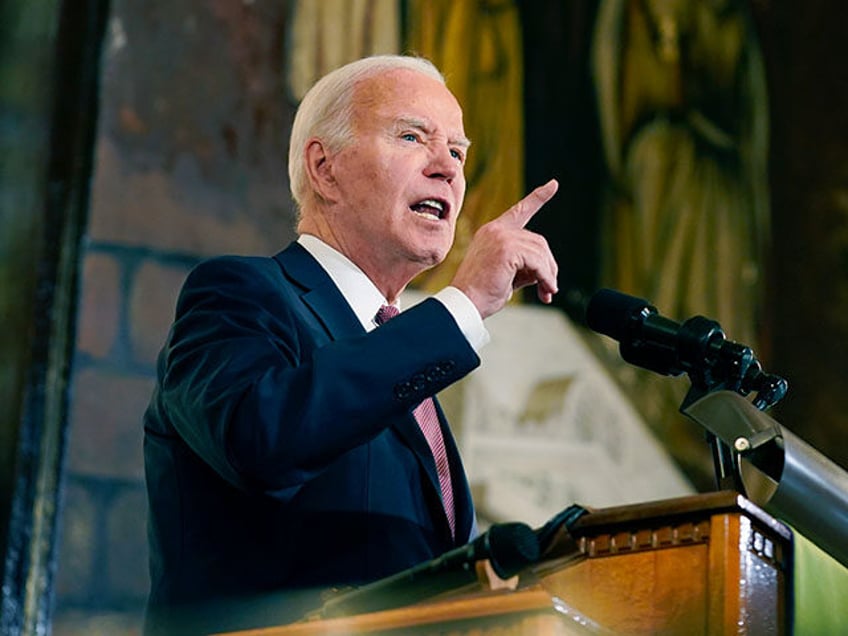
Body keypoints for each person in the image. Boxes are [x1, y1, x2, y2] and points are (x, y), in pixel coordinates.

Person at [143, 54, 558, 634]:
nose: (448, 168)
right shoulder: (239, 294)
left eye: (458, 152)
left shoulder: (396, 347)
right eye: (413, 136)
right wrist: (460, 305)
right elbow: (259, 439)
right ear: (325, 168)